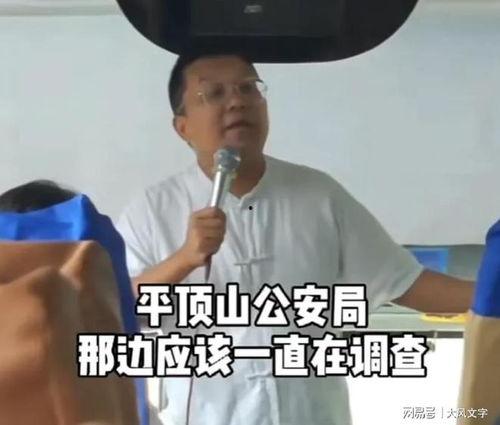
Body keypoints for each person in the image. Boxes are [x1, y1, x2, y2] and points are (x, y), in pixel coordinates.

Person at [116, 51, 474, 425]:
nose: (237, 101)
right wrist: (184, 259)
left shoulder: (318, 194)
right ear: (183, 127)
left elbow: (406, 283)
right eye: (215, 93)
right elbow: (114, 312)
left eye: (248, 88)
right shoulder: (151, 210)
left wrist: (492, 294)